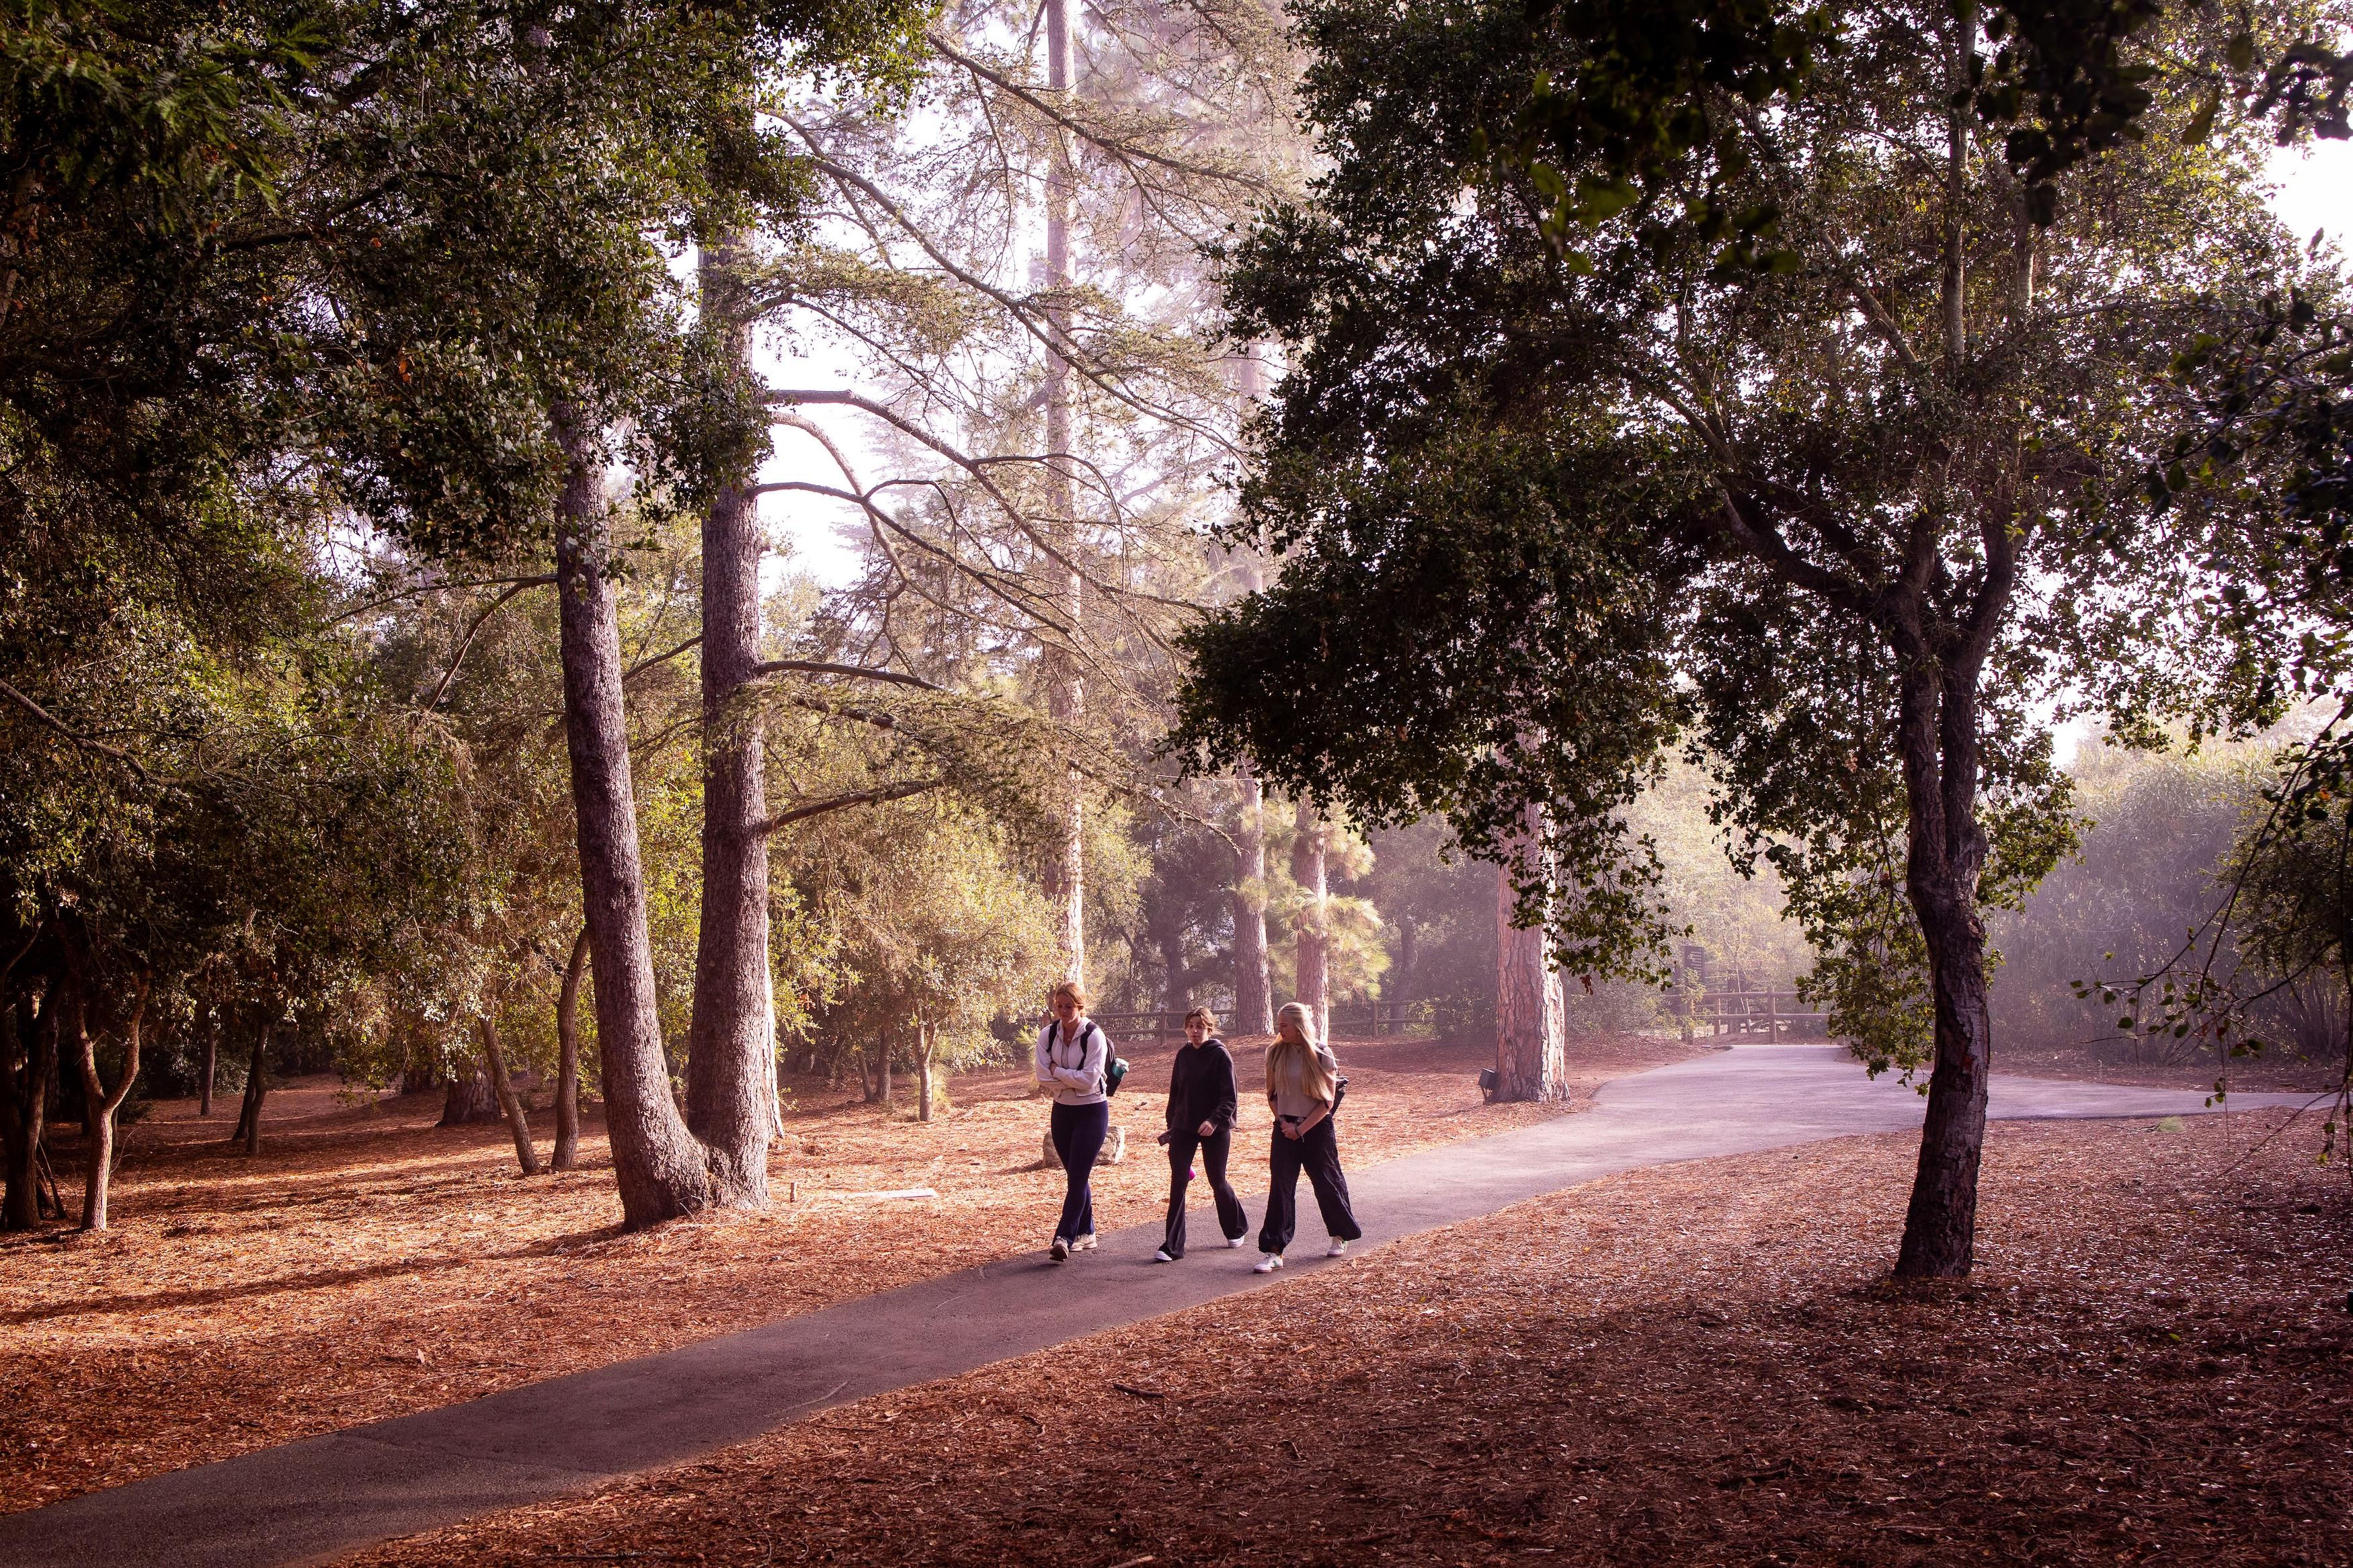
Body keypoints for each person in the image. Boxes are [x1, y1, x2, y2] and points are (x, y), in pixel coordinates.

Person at [1254, 1001, 1361, 1273]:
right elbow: (1272, 1094)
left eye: (1284, 1025)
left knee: (1327, 1181)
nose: (1280, 1030)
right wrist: (1284, 1123)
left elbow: (1327, 1101)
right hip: (1284, 1127)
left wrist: (1301, 1129)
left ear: (1299, 1026)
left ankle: (1340, 1234)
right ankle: (1274, 1250)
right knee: (1281, 1187)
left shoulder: (1322, 1054)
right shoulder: (1275, 1053)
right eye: (1279, 1025)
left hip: (1317, 1129)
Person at [1153, 1007, 1248, 1262]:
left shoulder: (1220, 1055)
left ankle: (1236, 1227)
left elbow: (1230, 1098)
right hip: (1184, 1127)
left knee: (1217, 1180)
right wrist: (1172, 1124)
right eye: (1191, 1026)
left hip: (1215, 1128)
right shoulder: (1183, 1055)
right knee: (1179, 1183)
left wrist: (1214, 1120)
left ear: (1209, 1029)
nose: (1195, 1031)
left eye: (1200, 1026)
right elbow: (1175, 1093)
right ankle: (1172, 1246)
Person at [1033, 979, 1111, 1263]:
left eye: (1069, 1006)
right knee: (1075, 1175)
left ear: (1080, 1007)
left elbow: (1092, 1079)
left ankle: (1064, 1237)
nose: (1063, 1011)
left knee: (1078, 1175)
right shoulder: (1048, 1034)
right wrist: (1069, 1078)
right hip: (1062, 1111)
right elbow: (1043, 1077)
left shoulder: (1094, 1036)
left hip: (1092, 1111)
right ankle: (1087, 1232)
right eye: (1059, 1006)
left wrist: (1059, 1072)